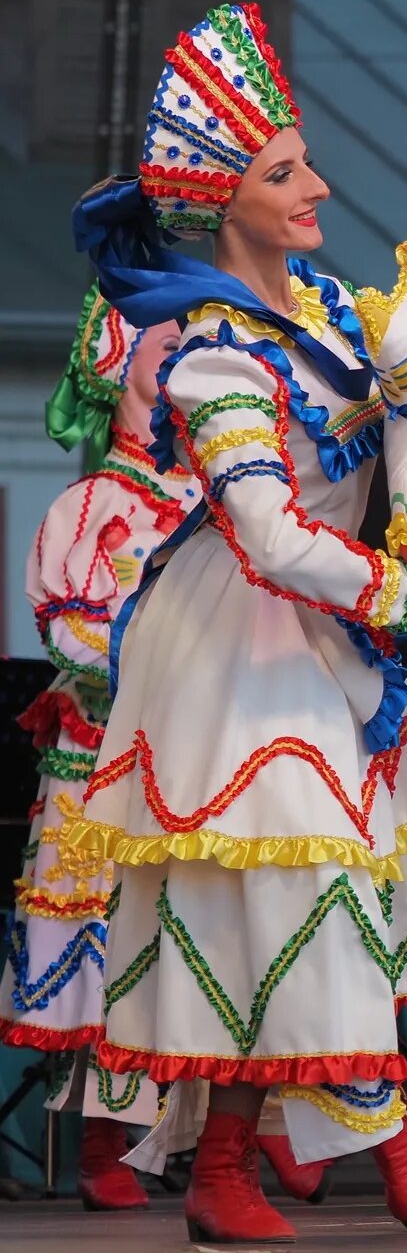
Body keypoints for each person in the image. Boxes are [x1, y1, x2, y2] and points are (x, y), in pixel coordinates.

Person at [71, 0, 407, 1242]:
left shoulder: (330, 311)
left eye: (303, 157)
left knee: (320, 892)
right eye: (282, 169)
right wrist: (401, 582)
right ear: (224, 201)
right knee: (280, 887)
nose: (315, 182)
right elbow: (263, 535)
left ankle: (245, 1163)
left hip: (326, 634)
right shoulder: (211, 352)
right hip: (242, 636)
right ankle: (311, 1152)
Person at [2, 292, 197, 1211]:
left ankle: (214, 1136)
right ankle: (106, 1147)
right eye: (167, 354)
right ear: (118, 372)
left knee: (181, 940)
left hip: (199, 758)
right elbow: (74, 637)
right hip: (106, 758)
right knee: (104, 939)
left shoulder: (218, 499)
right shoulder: (91, 506)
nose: (185, 371)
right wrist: (171, 657)